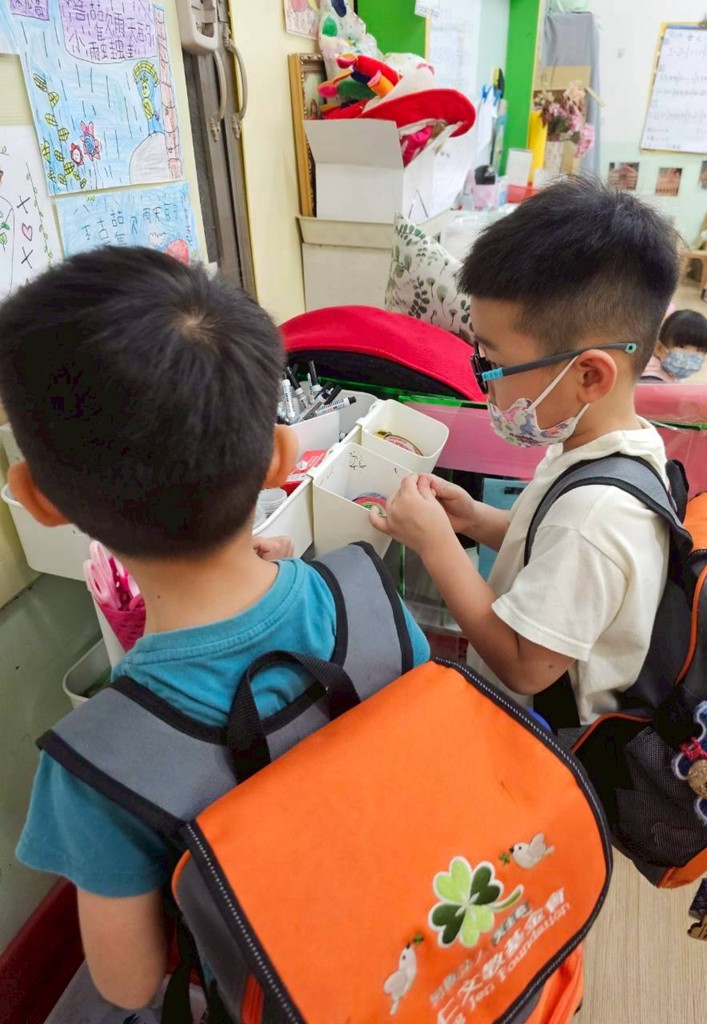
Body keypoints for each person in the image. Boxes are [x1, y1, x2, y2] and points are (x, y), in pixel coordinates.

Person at [0, 247, 429, 1010]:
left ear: (38, 500)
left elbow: (129, 982)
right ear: (281, 458)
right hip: (417, 939)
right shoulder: (369, 593)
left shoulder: (98, 760)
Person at [370, 177, 680, 726]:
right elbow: (542, 537)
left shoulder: (595, 521)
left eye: (492, 364)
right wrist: (473, 518)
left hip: (545, 743)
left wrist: (436, 544)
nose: (484, 383)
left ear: (589, 376)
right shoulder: (606, 445)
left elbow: (523, 665)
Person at [640, 309, 707, 382]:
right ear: (659, 349)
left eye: (699, 350)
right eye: (682, 346)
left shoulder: (668, 373)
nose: (690, 355)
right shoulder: (650, 379)